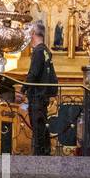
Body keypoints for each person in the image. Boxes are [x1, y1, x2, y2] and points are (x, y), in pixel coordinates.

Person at [21, 22, 57, 156]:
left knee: (37, 126)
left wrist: (23, 89)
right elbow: (52, 74)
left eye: (30, 33)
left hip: (37, 95)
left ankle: (39, 156)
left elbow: (34, 73)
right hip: (44, 94)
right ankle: (45, 152)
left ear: (33, 34)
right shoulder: (46, 50)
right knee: (42, 125)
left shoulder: (38, 51)